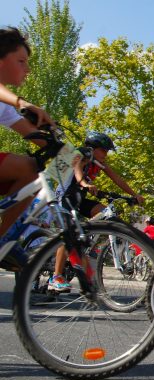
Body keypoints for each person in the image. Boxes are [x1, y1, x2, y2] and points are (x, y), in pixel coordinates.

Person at [48, 131, 145, 292]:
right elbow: (77, 168)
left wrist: (134, 195)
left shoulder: (99, 163)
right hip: (65, 197)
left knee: (106, 214)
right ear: (93, 148)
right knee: (68, 234)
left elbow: (117, 178)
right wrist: (84, 184)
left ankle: (87, 244)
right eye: (104, 150)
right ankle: (56, 276)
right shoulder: (82, 154)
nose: (106, 154)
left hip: (80, 199)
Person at [0, 26, 53, 271]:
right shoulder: (8, 99)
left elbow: (33, 135)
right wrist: (21, 102)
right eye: (21, 61)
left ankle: (4, 241)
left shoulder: (5, 106)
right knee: (28, 168)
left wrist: (74, 155)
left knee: (32, 170)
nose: (27, 69)